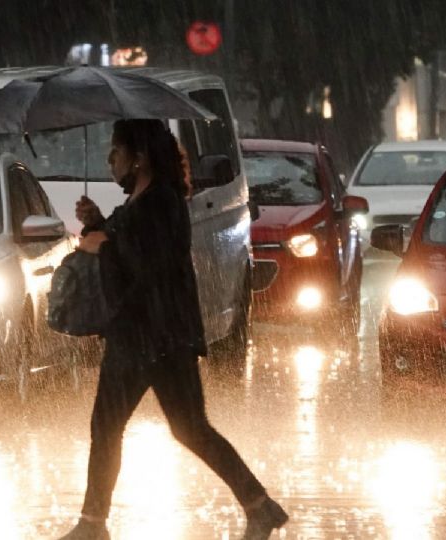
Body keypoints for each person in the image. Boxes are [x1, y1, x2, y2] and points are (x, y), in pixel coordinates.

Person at [58, 119, 287, 540]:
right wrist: (97, 225)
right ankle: (259, 504)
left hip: (152, 335)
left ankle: (93, 524)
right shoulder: (142, 200)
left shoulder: (162, 202)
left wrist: (103, 245)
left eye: (117, 151)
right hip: (152, 335)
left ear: (139, 157)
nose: (110, 160)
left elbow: (147, 265)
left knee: (127, 425)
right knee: (179, 427)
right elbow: (126, 246)